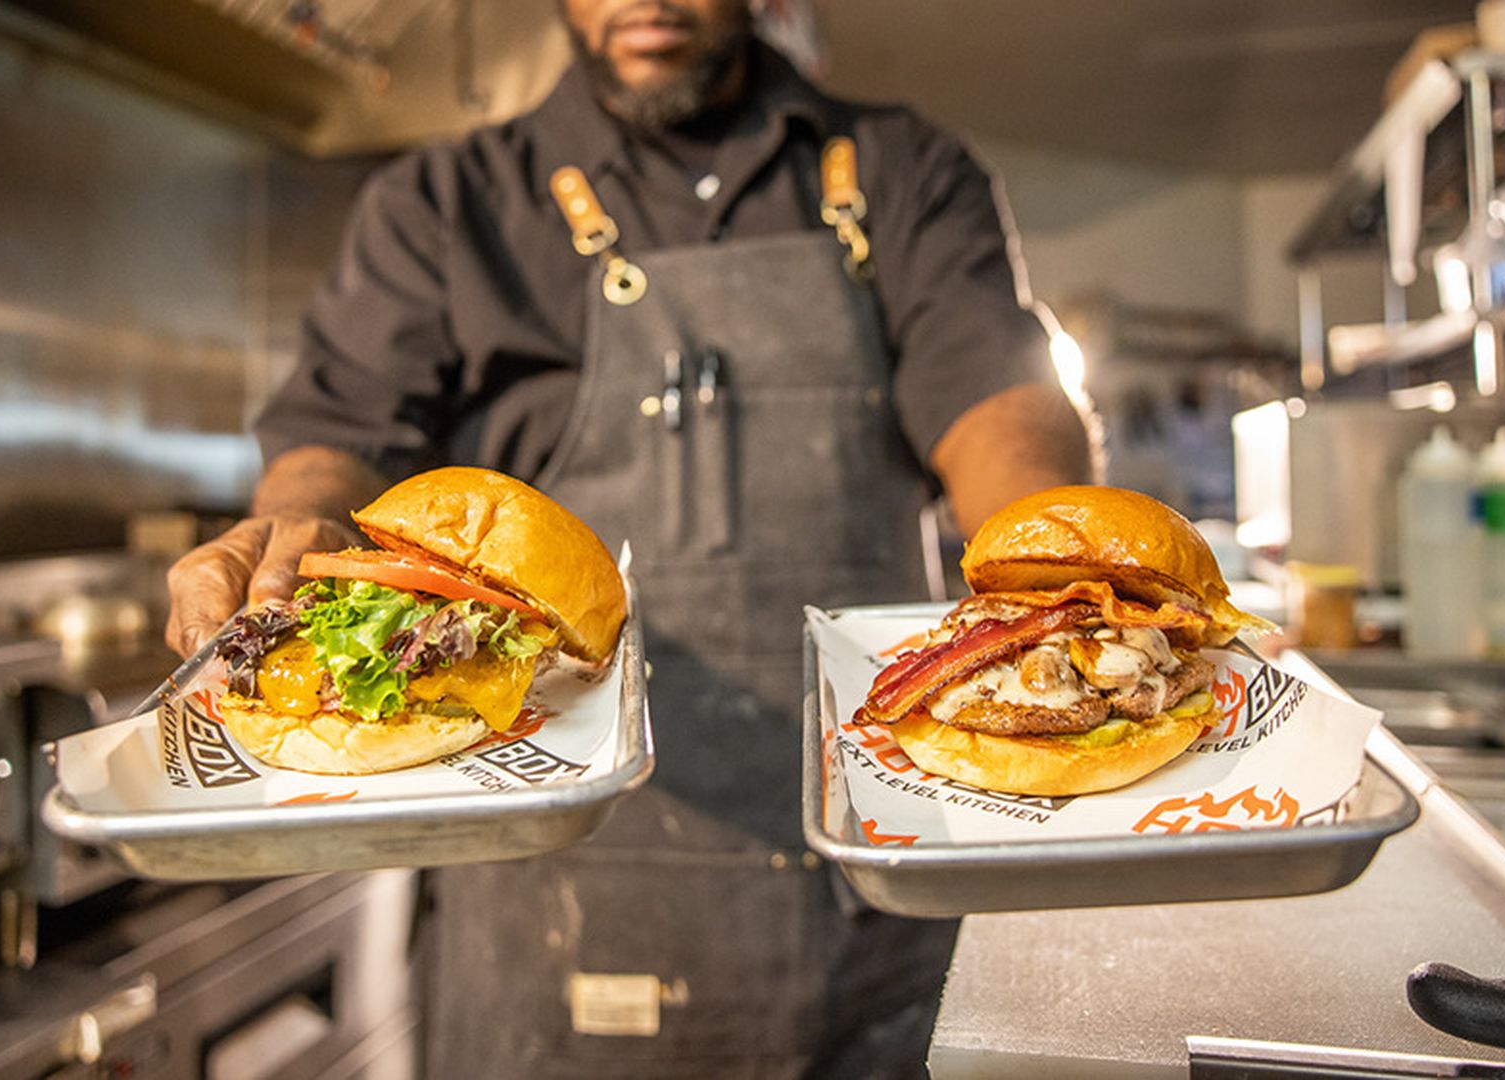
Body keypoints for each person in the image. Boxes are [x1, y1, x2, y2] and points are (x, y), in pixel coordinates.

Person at [165, 0, 1092, 1074]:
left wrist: (1053, 567)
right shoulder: (443, 204)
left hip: (862, 877)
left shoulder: (899, 168)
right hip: (546, 886)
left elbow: (999, 404)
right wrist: (298, 525)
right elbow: (337, 433)